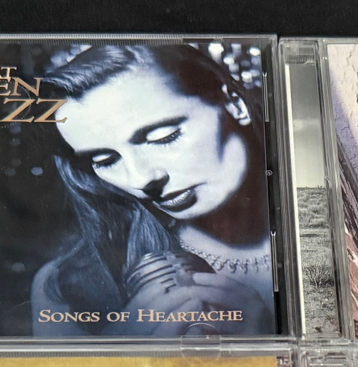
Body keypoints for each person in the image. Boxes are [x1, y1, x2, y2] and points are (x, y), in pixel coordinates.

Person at [31, 43, 275, 336]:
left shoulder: (315, 237)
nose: (140, 178)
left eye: (164, 137)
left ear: (234, 103)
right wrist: (118, 357)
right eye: (105, 160)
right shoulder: (66, 286)